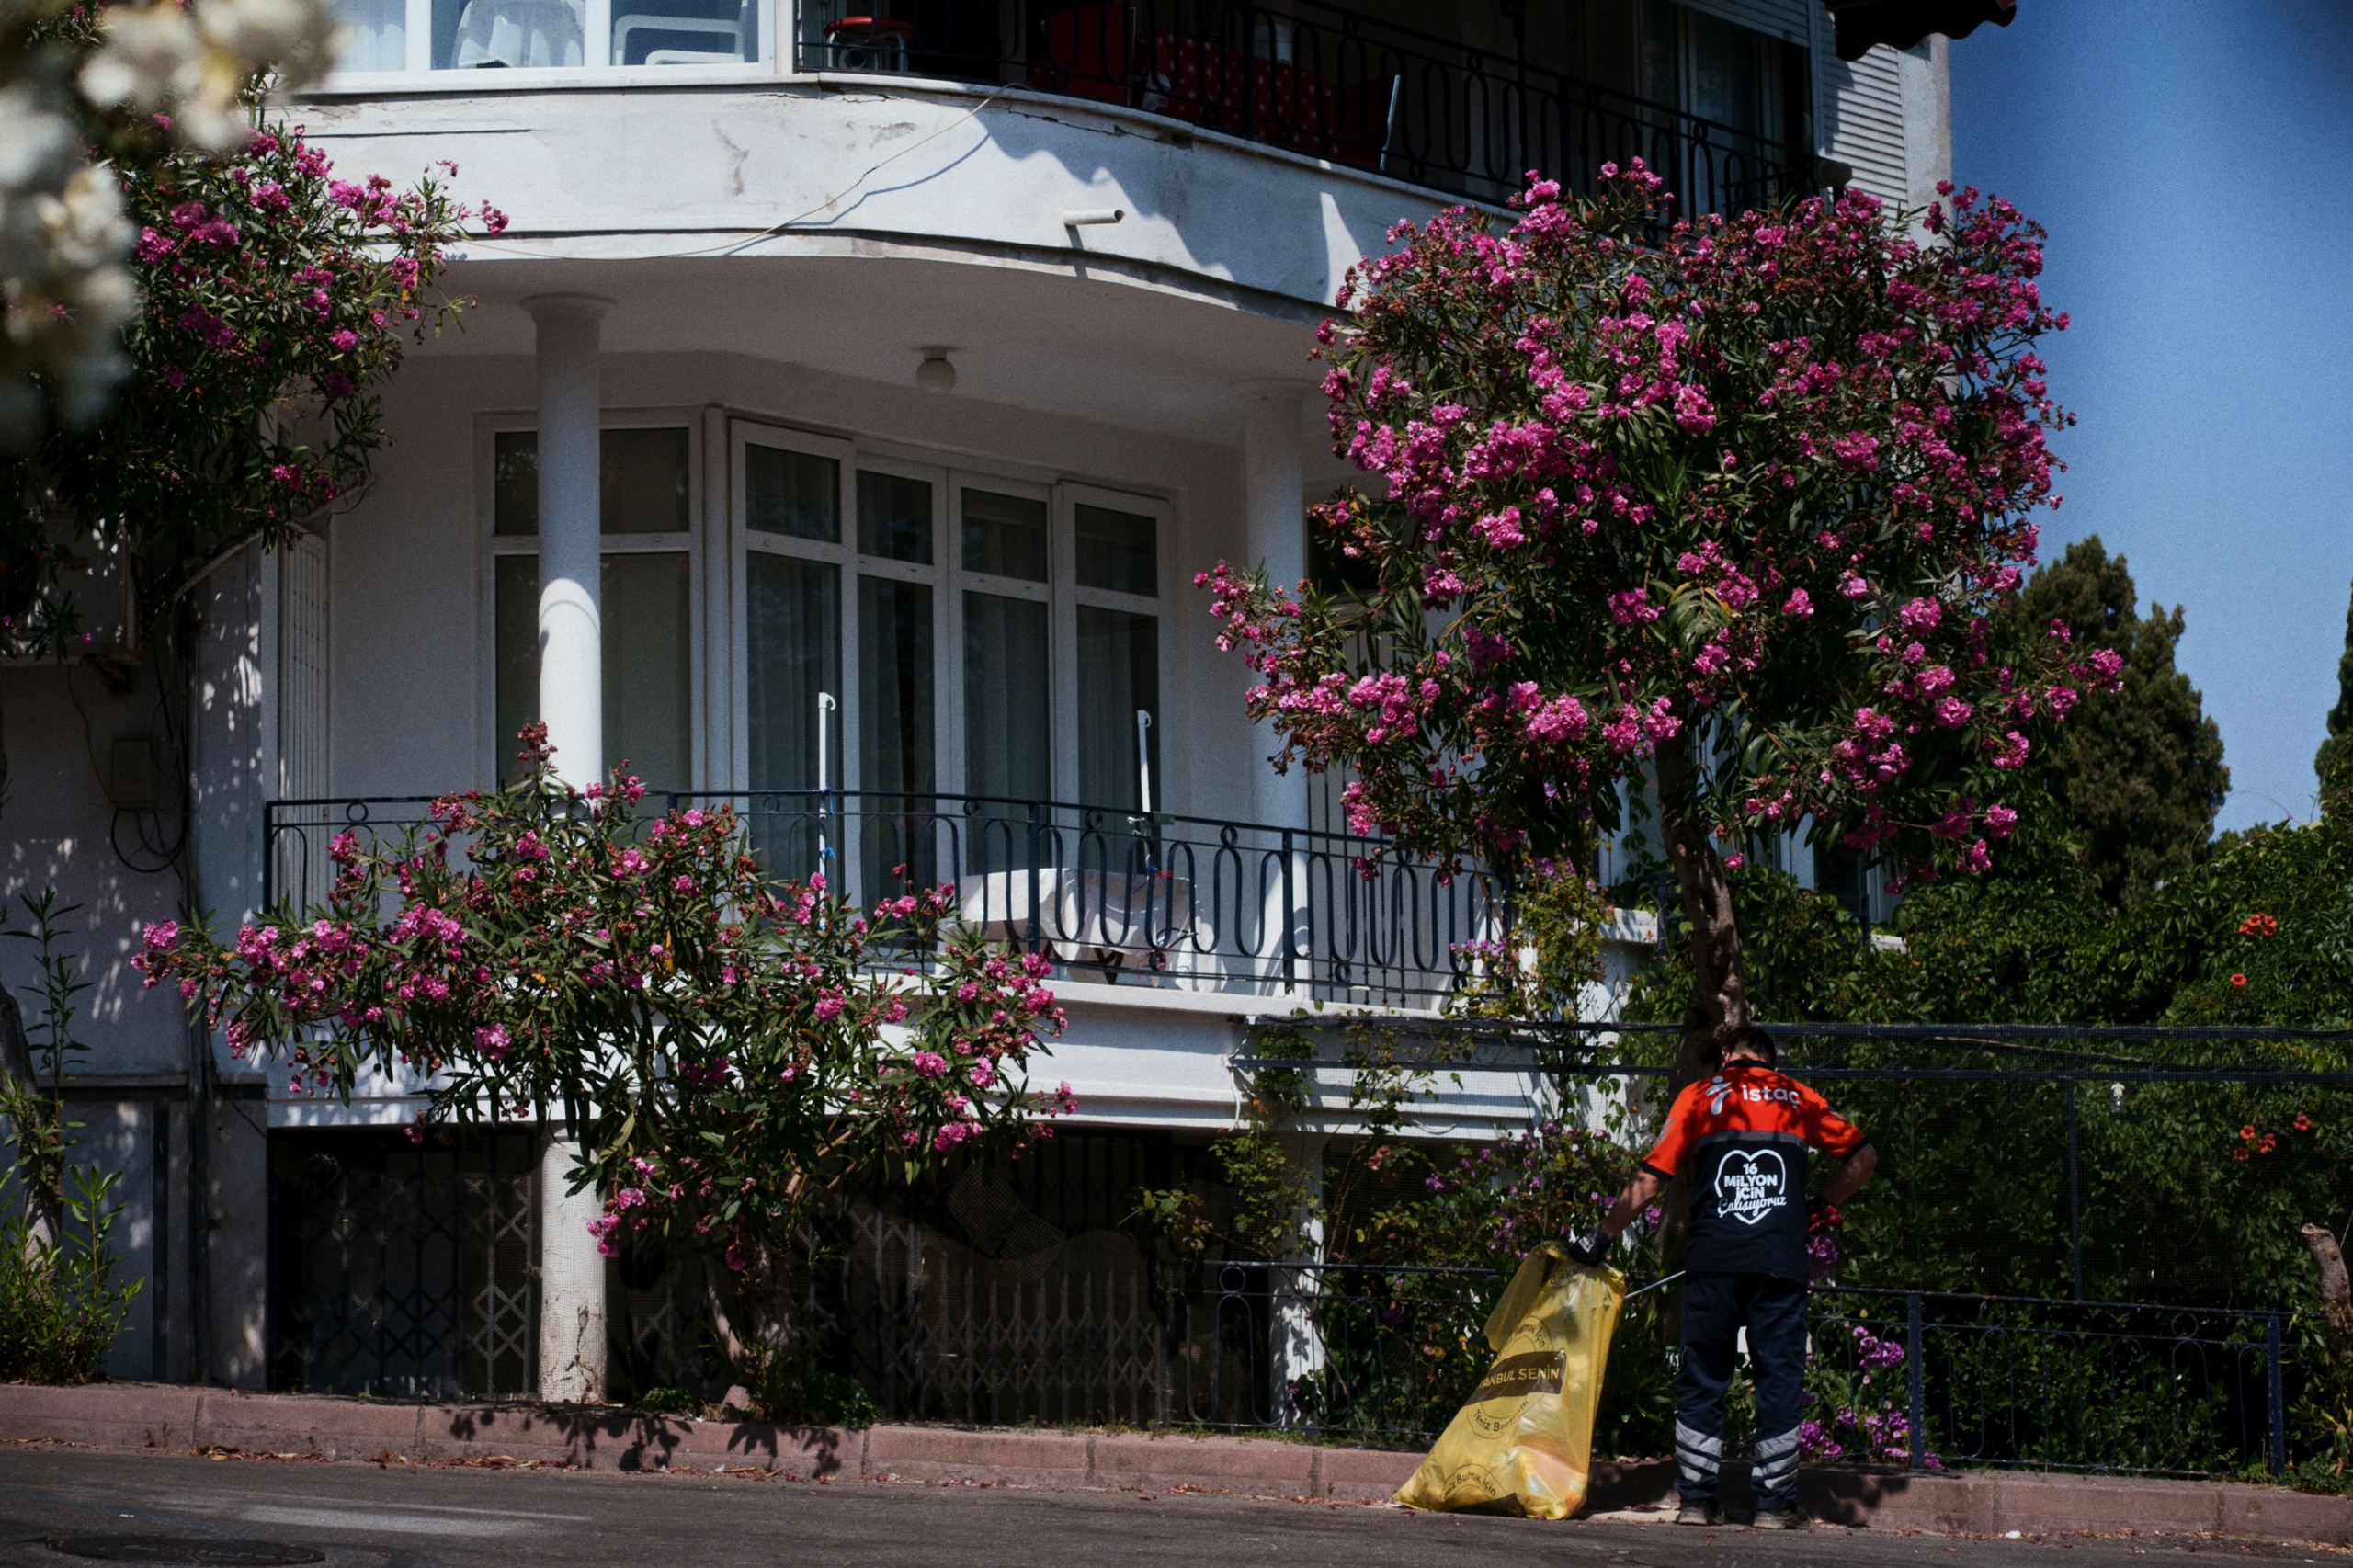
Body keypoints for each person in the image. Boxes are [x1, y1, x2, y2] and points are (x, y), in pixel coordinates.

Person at [1569, 1024, 1877, 1530]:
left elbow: (1651, 1178)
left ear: (1731, 1054)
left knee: (1703, 1378)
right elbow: (1864, 1158)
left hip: (1713, 1261)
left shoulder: (1701, 1095)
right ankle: (1775, 1508)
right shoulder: (1798, 1097)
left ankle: (1695, 1502)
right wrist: (1820, 1207)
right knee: (1778, 1380)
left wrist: (1600, 1238)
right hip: (1779, 1263)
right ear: (1771, 1061)